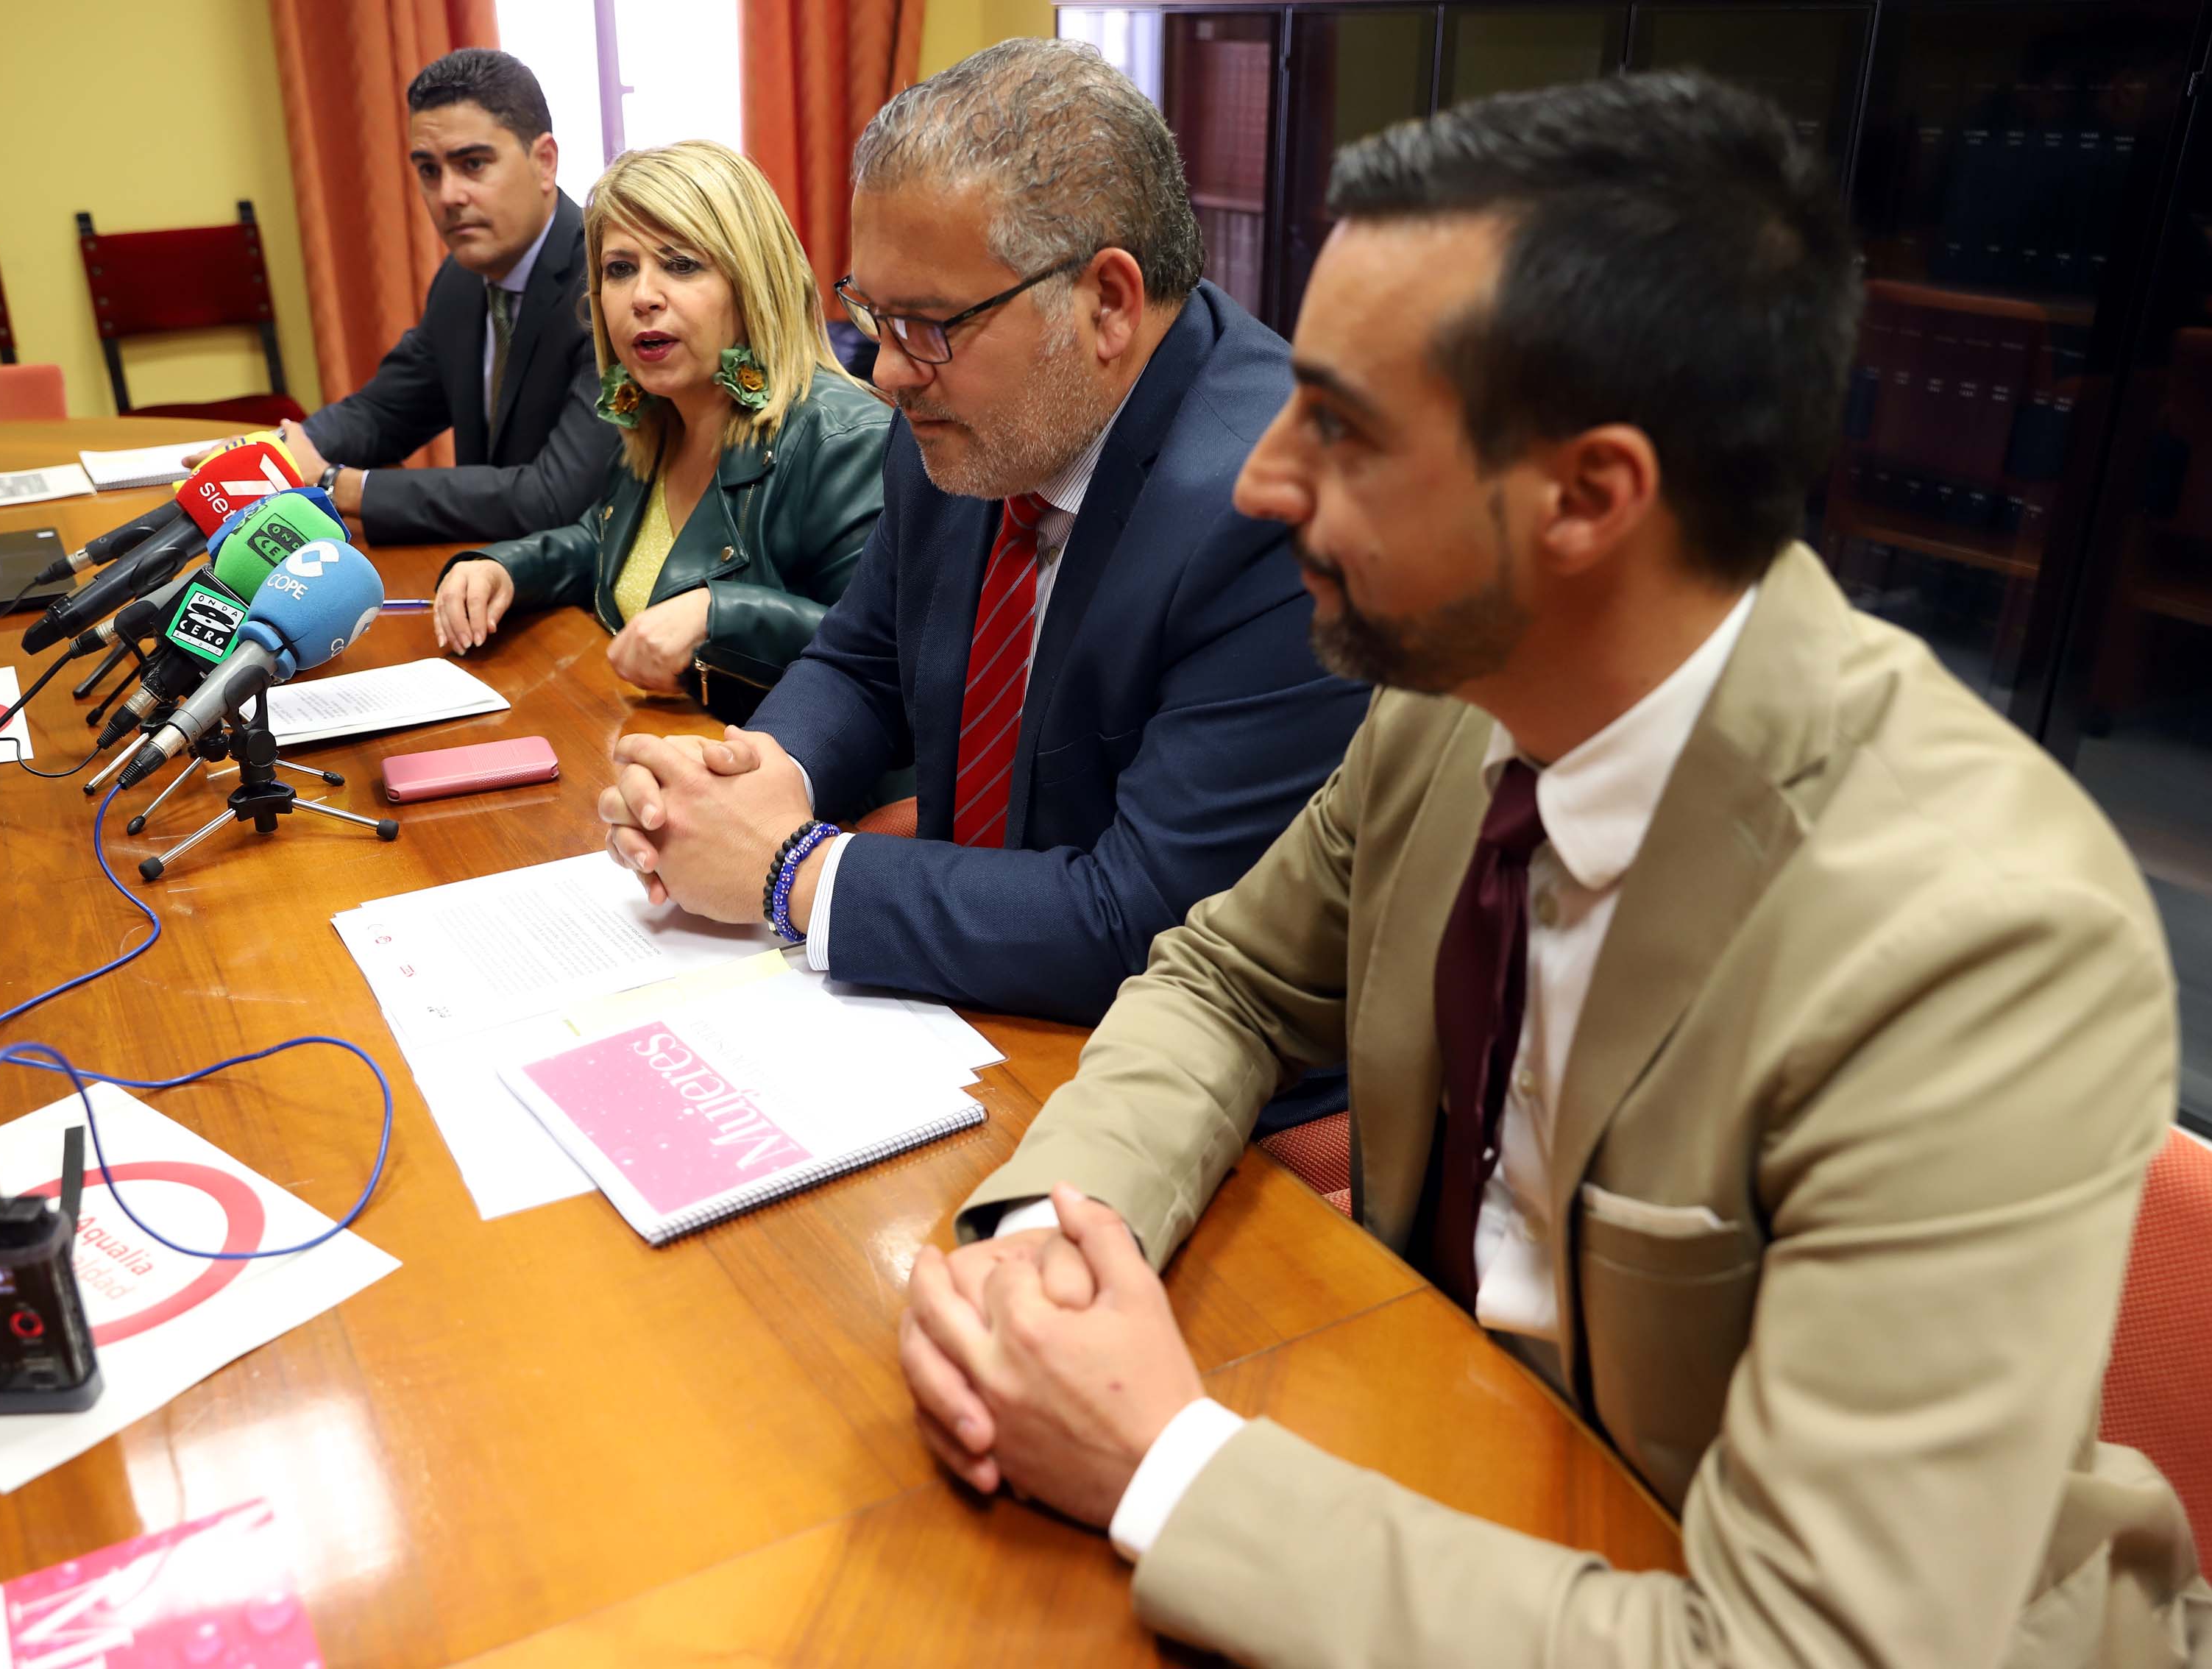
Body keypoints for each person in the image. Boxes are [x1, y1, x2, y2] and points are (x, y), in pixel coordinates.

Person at [898, 72, 2211, 1667]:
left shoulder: (1983, 939)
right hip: (1452, 1466)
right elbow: (1227, 977)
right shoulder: (1455, 699)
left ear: (1589, 497)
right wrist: (1057, 1236)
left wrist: (1164, 1467)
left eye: (1344, 429)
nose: (1258, 479)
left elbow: (1805, 1648)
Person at [593, 41, 1368, 1060]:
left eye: (925, 325)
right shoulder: (966, 417)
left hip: (1176, 1062)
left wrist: (790, 873)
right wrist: (754, 776)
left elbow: (1153, 921)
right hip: (965, 993)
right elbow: (863, 661)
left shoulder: (1280, 511)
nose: (886, 373)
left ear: (1106, 303)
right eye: (872, 314)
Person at [427, 141, 891, 720]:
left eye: (681, 264)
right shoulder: (659, 415)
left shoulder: (846, 438)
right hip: (646, 742)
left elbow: (883, 658)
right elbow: (610, 544)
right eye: (620, 269)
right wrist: (503, 569)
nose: (643, 297)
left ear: (752, 281)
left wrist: (718, 615)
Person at [272, 49, 620, 547]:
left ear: (544, 162)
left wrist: (335, 485)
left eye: (473, 164)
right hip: (487, 566)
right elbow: (385, 412)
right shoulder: (461, 280)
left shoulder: (608, 284)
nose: (448, 196)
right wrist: (279, 454)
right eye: (429, 171)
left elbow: (555, 497)